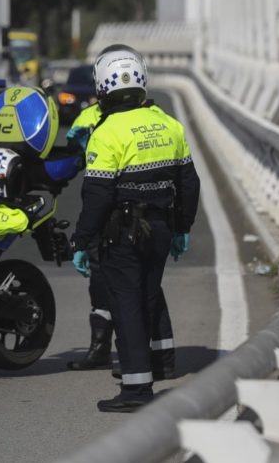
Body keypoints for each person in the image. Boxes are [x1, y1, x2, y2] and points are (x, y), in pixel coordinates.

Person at [69, 48, 199, 412]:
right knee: (148, 295)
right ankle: (157, 365)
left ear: (102, 88)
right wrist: (181, 227)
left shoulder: (106, 132)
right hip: (158, 229)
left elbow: (96, 195)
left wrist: (82, 240)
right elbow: (189, 184)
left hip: (121, 232)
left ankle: (137, 390)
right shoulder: (169, 125)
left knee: (126, 306)